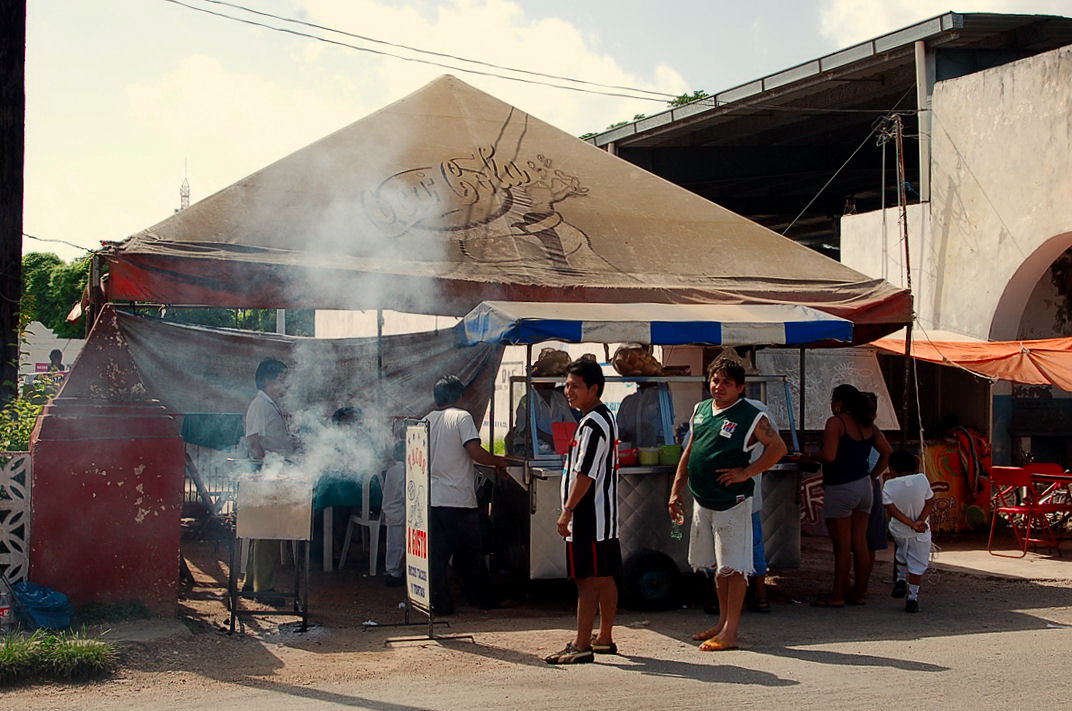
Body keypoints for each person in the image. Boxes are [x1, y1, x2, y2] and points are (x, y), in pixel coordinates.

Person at [668, 358, 786, 651]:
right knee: (717, 567)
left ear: (740, 387)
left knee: (734, 567)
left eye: (726, 383)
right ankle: (721, 623)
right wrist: (675, 490)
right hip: (702, 499)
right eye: (715, 381)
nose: (718, 387)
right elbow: (690, 451)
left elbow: (778, 448)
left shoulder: (751, 415)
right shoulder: (701, 409)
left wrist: (747, 472)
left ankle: (731, 631)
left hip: (732, 503)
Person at [545, 358, 621, 665]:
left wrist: (567, 511)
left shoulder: (593, 423)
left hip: (589, 517)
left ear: (594, 389)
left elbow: (585, 474)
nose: (568, 391)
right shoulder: (602, 417)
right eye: (566, 385)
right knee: (604, 575)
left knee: (587, 579)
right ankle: (603, 637)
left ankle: (581, 644)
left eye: (575, 386)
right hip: (603, 517)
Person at [425, 375, 508, 615]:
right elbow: (474, 451)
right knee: (470, 553)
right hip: (458, 499)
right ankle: (483, 600)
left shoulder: (427, 420)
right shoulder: (462, 417)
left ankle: (440, 603)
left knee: (438, 556)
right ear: (459, 396)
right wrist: (497, 462)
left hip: (433, 498)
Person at [810, 384, 891, 608]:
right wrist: (873, 476)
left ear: (839, 402)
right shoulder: (869, 426)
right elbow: (887, 453)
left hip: (841, 487)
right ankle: (858, 592)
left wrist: (809, 455)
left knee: (842, 546)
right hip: (864, 486)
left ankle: (837, 595)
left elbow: (829, 455)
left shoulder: (836, 422)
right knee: (860, 543)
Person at [243, 357, 299, 595]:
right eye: (281, 380)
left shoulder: (270, 404)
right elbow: (254, 441)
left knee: (263, 531)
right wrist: (267, 469)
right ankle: (263, 587)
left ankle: (252, 583)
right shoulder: (260, 405)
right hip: (267, 473)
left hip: (274, 470)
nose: (285, 385)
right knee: (268, 531)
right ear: (267, 380)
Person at [883, 450, 935, 613]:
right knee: (917, 564)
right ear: (916, 465)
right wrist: (918, 522)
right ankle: (912, 598)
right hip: (921, 531)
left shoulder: (889, 485)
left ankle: (899, 579)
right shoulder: (922, 479)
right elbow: (930, 502)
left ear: (891, 469)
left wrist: (910, 523)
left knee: (902, 551)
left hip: (899, 529)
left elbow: (891, 510)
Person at [507, 348, 576, 457]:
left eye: (551, 381)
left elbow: (571, 424)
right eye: (544, 381)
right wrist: (549, 439)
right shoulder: (527, 400)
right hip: (528, 450)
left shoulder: (559, 399)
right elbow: (526, 430)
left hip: (555, 450)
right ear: (536, 383)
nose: (548, 385)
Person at [382, 439, 406, 588]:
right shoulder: (403, 470)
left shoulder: (393, 468)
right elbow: (406, 495)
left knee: (394, 545)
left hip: (391, 510)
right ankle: (394, 575)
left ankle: (393, 572)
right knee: (398, 546)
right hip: (399, 512)